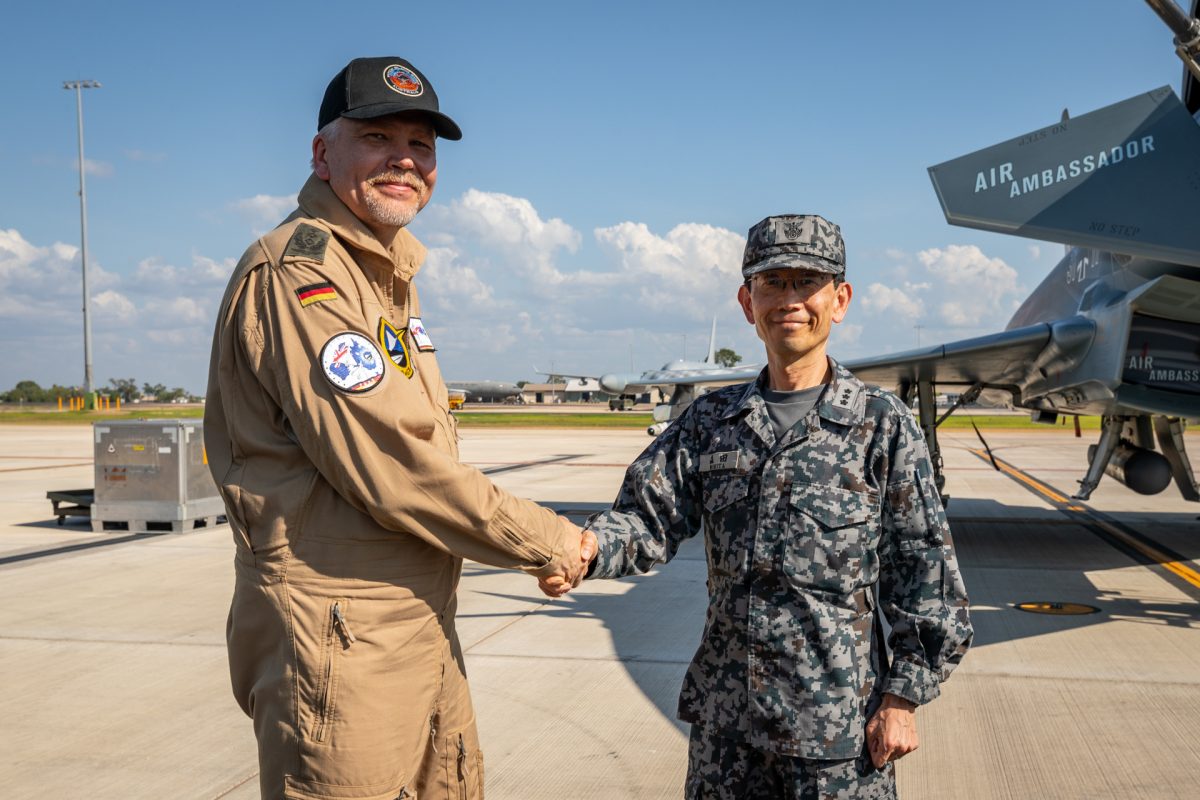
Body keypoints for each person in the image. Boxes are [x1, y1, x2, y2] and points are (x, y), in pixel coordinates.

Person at [204, 57, 592, 800]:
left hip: (415, 617)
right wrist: (549, 541)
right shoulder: (302, 275)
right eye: (377, 137)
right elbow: (394, 466)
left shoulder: (383, 277)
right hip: (340, 627)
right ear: (322, 153)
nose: (405, 160)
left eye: (421, 144)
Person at [569, 214, 973, 798]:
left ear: (840, 300)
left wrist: (902, 698)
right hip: (727, 735)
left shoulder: (882, 426)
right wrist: (587, 548)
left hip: (837, 737)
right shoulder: (712, 421)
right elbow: (645, 518)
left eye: (807, 282)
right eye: (772, 282)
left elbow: (926, 576)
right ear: (747, 301)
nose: (790, 300)